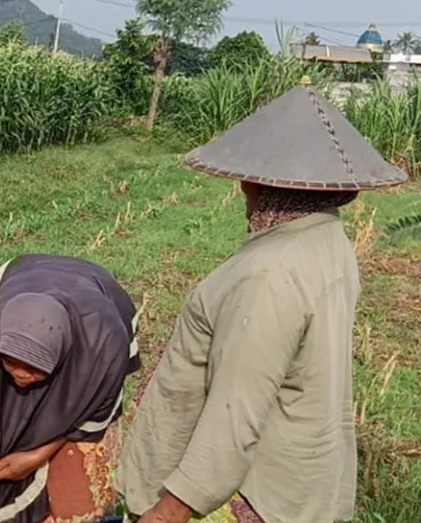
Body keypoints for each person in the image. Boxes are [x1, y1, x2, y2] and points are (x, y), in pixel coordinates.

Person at [115, 77, 408, 523]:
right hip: (300, 483)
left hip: (253, 495)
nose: (242, 192)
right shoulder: (327, 239)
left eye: (250, 180)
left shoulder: (268, 274)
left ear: (273, 187)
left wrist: (170, 509)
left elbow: (236, 413)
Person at [0, 253, 142, 523]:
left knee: (79, 482)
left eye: (35, 369)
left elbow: (94, 414)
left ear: (61, 361)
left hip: (97, 298)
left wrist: (37, 456)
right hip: (24, 276)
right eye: (10, 363)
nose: (21, 375)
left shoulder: (102, 352)